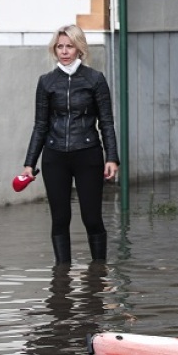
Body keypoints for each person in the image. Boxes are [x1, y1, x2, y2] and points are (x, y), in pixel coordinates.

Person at [21, 25, 120, 266]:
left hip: (88, 154)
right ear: (54, 50)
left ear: (79, 49)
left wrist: (112, 157)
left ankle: (99, 272)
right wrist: (29, 163)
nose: (64, 51)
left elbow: (106, 122)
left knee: (92, 218)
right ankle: (62, 273)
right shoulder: (46, 82)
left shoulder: (95, 79)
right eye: (60, 47)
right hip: (55, 157)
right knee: (60, 218)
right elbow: (40, 125)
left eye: (69, 46)